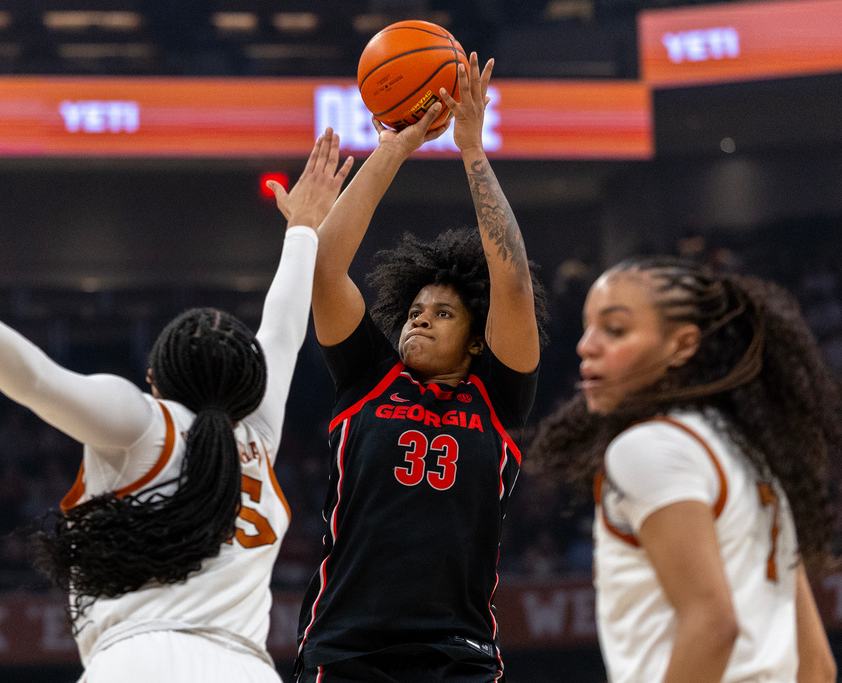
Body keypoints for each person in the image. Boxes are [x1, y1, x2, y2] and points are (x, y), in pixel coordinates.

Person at [0, 131, 354, 682]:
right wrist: (303, 229)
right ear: (249, 383)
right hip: (245, 668)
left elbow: (35, 377)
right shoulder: (259, 435)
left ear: (155, 378)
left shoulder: (143, 424)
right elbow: (283, 330)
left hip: (137, 661)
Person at [293, 53, 545, 682]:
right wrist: (396, 147)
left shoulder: (498, 400)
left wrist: (472, 149)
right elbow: (323, 268)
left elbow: (511, 285)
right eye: (413, 310)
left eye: (442, 313)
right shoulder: (367, 377)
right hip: (347, 648)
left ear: (478, 341)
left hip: (458, 653)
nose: (419, 320)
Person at [531, 256, 840, 683]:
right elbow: (819, 667)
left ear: (683, 344)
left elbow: (713, 625)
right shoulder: (747, 452)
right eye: (587, 327)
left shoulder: (649, 447)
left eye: (615, 329)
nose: (586, 345)